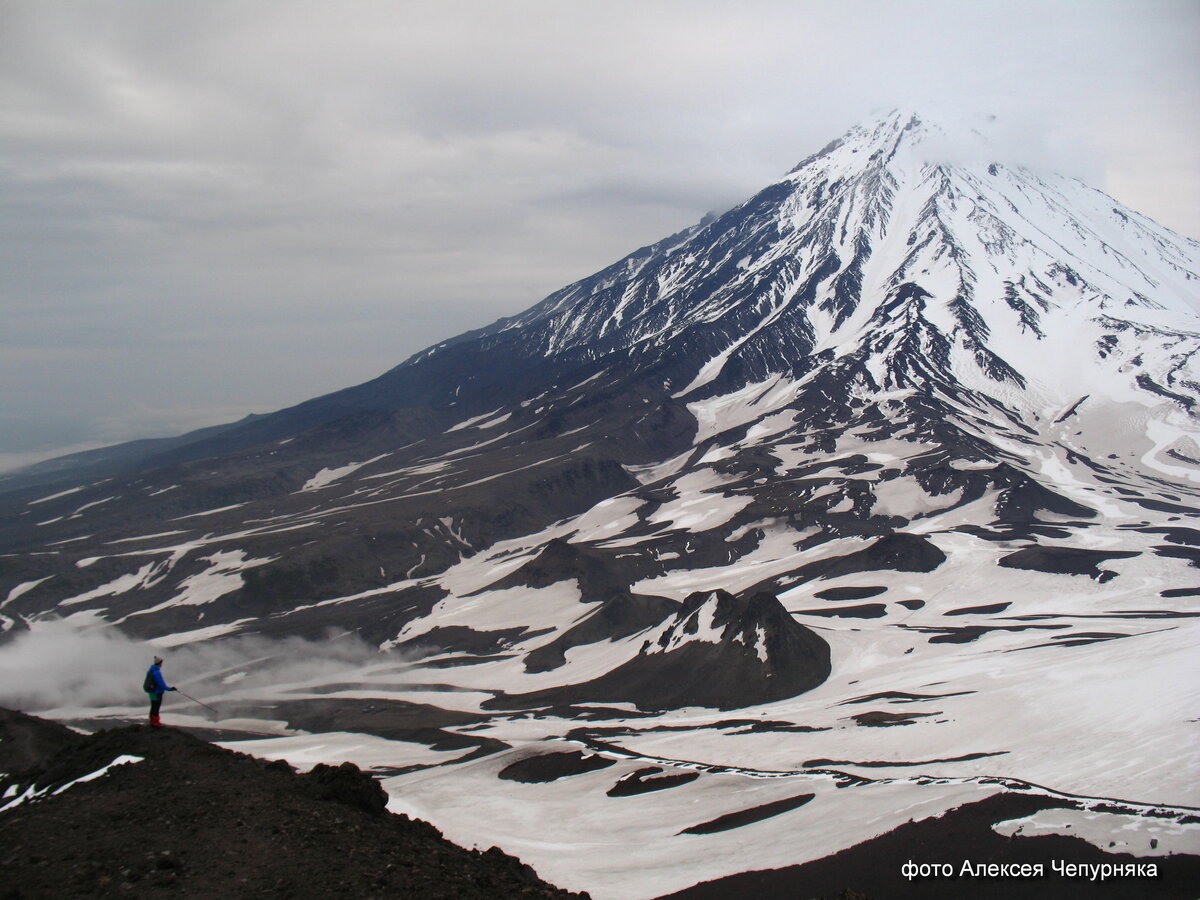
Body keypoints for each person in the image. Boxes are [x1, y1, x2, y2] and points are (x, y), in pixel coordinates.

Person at [145, 655, 176, 727]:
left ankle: (152, 721)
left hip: (151, 692)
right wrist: (170, 689)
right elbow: (161, 684)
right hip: (157, 692)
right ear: (159, 663)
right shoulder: (157, 672)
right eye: (161, 663)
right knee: (156, 707)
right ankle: (156, 722)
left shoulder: (150, 671)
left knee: (153, 706)